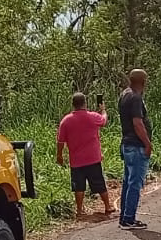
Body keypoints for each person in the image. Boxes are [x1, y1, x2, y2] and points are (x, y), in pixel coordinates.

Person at [56, 91, 113, 219]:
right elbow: (104, 121)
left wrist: (59, 156)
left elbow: (60, 141)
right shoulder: (93, 116)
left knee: (79, 186)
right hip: (93, 158)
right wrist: (103, 110)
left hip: (76, 161)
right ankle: (107, 206)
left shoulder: (66, 120)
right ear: (85, 103)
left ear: (73, 104)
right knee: (99, 183)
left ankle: (79, 210)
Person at [117, 69, 152, 231]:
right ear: (143, 82)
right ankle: (129, 219)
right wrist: (147, 143)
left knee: (128, 182)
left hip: (127, 144)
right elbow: (138, 123)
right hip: (136, 145)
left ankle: (125, 217)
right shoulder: (136, 98)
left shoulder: (124, 94)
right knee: (135, 183)